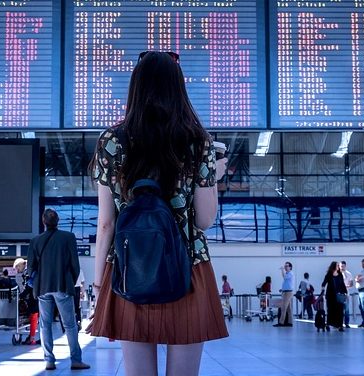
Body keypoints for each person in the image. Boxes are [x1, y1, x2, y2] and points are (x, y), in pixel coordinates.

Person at [87, 50, 228, 376]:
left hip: (128, 267)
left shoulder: (112, 140)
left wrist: (98, 284)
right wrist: (212, 178)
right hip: (188, 268)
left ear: (135, 88)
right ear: (178, 88)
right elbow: (205, 220)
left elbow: (106, 223)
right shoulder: (198, 142)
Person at [27, 208, 90, 371]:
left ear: (43, 221)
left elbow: (30, 268)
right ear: (58, 221)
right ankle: (76, 360)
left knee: (45, 324)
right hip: (63, 285)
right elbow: (75, 265)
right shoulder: (68, 237)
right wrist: (70, 280)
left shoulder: (35, 241)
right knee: (70, 324)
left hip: (42, 288)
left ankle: (49, 360)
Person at [13, 258, 39, 345]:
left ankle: (32, 338)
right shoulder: (29, 270)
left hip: (34, 296)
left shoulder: (29, 271)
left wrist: (22, 295)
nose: (17, 270)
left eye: (17, 267)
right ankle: (32, 337)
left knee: (34, 315)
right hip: (36, 295)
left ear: (20, 265)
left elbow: (29, 285)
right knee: (34, 316)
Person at [321, 261, 347, 332]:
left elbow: (342, 284)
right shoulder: (329, 274)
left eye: (338, 265)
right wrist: (323, 288)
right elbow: (324, 282)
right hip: (330, 295)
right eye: (337, 265)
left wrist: (345, 292)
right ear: (334, 266)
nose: (338, 266)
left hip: (339, 295)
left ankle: (340, 325)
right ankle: (328, 324)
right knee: (331, 310)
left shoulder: (340, 274)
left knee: (340, 310)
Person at [273, 261, 294, 327]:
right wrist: (282, 289)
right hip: (285, 292)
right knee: (288, 309)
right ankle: (290, 322)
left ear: (290, 267)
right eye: (285, 266)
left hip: (288, 292)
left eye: (287, 266)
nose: (285, 267)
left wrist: (282, 270)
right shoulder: (288, 274)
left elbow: (284, 277)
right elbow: (287, 283)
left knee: (283, 307)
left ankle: (281, 323)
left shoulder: (290, 273)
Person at [339, 261, 354, 328]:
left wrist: (347, 286)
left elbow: (351, 284)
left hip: (346, 294)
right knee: (339, 309)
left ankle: (346, 323)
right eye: (341, 266)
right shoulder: (337, 274)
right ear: (339, 266)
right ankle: (339, 323)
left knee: (347, 309)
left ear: (345, 266)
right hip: (339, 294)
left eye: (343, 266)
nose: (342, 267)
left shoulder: (349, 274)